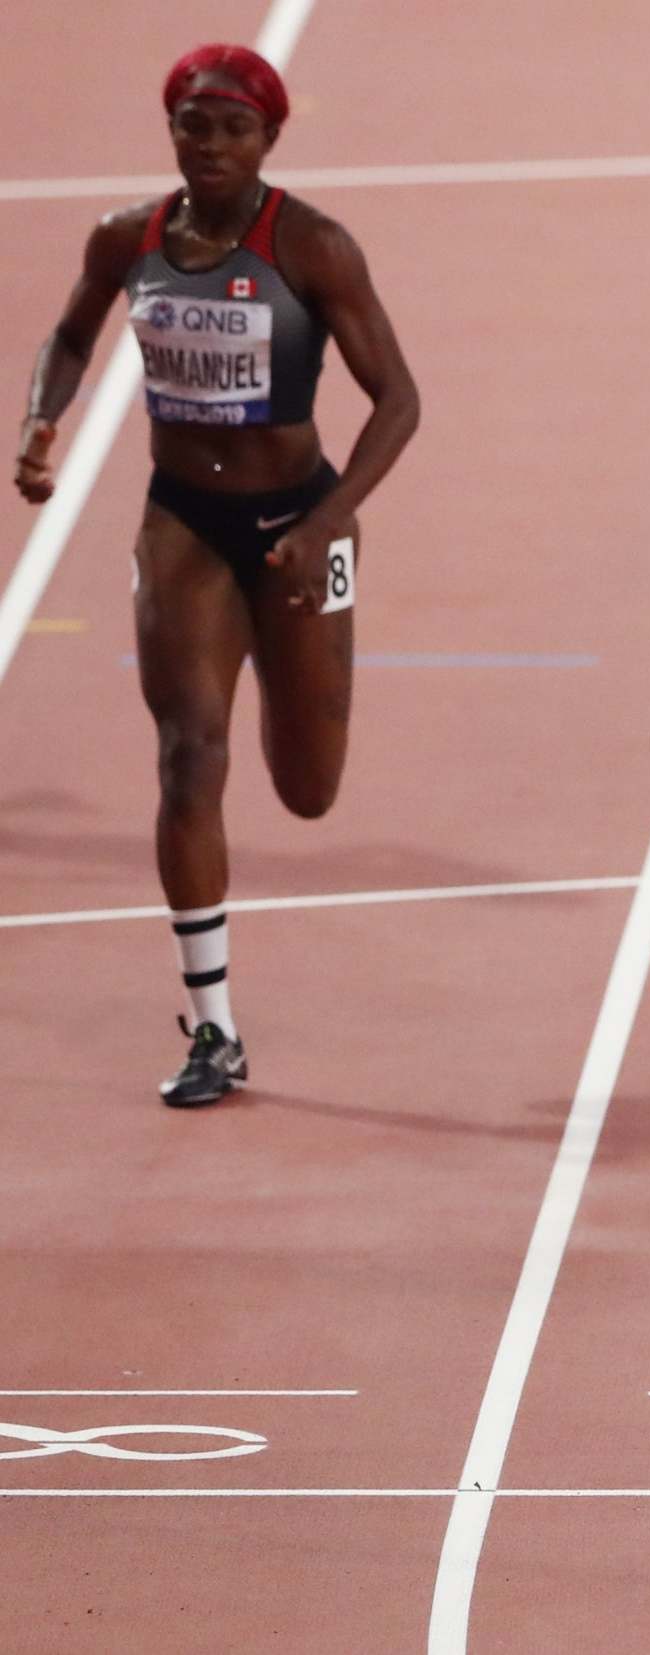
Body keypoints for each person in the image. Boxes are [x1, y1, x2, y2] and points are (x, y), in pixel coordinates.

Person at [14, 43, 420, 1106]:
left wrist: (326, 521)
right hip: (182, 520)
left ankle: (309, 680)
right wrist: (40, 419)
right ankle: (214, 1027)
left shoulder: (312, 245)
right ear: (172, 131)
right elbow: (66, 335)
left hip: (303, 522)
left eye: (234, 127)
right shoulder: (127, 239)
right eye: (195, 124)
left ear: (270, 138)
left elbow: (400, 402)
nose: (211, 146)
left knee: (307, 788)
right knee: (189, 755)